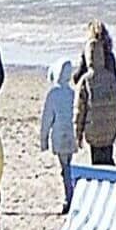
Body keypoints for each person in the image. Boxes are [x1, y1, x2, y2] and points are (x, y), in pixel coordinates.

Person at [73, 24, 116, 165]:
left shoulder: (86, 74)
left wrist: (77, 134)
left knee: (96, 160)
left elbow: (80, 109)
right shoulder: (110, 59)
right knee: (108, 156)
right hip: (109, 122)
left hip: (93, 126)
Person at [38, 61, 76, 213]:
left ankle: (69, 197)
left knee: (65, 167)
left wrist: (44, 139)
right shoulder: (72, 93)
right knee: (68, 166)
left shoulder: (53, 94)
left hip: (59, 135)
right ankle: (70, 194)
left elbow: (47, 118)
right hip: (71, 133)